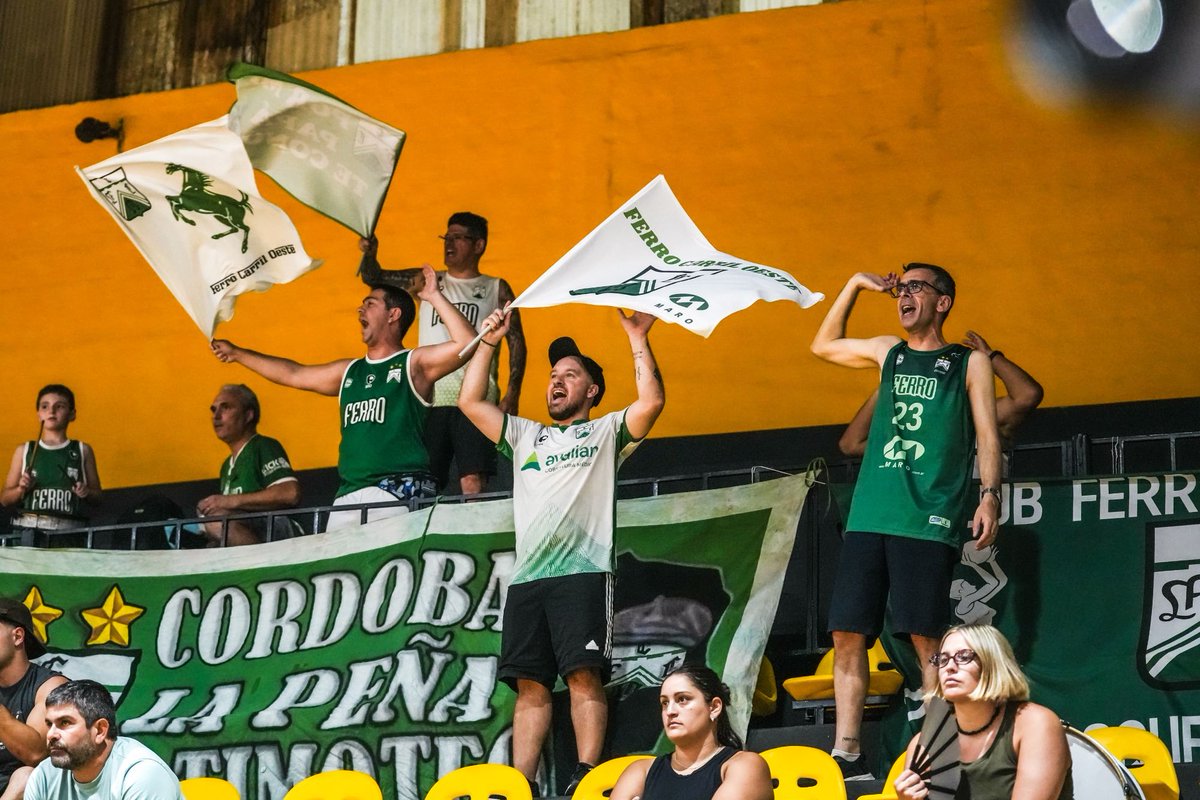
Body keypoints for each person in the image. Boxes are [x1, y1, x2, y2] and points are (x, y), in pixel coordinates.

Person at [458, 306, 665, 796]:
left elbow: (652, 401)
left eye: (570, 375)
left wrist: (637, 338)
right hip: (528, 579)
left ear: (591, 391)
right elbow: (469, 400)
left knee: (581, 674)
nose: (556, 380)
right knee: (530, 685)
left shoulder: (607, 431)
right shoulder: (525, 435)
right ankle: (519, 784)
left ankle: (586, 774)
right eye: (553, 374)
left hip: (584, 573)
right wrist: (489, 340)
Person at [810, 263, 1002, 780]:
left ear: (942, 302)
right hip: (870, 514)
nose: (904, 294)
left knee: (925, 637)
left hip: (927, 517)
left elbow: (988, 435)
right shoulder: (888, 351)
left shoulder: (968, 362)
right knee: (847, 632)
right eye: (903, 287)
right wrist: (854, 284)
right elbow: (823, 345)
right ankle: (847, 753)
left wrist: (988, 497)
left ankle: (939, 748)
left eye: (917, 287)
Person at [211, 265, 477, 531]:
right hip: (347, 495)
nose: (360, 310)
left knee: (389, 559)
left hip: (397, 490)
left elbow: (467, 342)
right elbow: (293, 373)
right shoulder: (349, 371)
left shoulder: (413, 363)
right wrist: (237, 354)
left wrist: (434, 297)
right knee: (335, 560)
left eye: (370, 304)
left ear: (393, 315)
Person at [359, 212, 526, 495]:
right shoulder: (427, 281)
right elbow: (373, 277)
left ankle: (475, 525)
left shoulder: (496, 288)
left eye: (458, 237)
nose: (449, 243)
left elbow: (517, 342)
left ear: (479, 245)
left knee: (472, 481)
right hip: (429, 398)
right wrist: (369, 252)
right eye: (446, 237)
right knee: (426, 479)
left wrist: (513, 393)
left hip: (476, 396)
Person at [894, 624, 1072, 800]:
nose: (950, 667)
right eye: (942, 659)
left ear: (992, 663)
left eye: (963, 657)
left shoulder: (1035, 724)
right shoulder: (924, 744)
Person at [838, 330, 1044, 459]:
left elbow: (1027, 395)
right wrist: (888, 384)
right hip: (931, 508)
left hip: (983, 508)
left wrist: (990, 357)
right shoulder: (917, 430)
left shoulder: (980, 414)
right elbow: (850, 445)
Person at [609, 665, 773, 800]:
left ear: (714, 707)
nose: (670, 711)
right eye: (664, 703)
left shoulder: (745, 766)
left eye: (682, 699)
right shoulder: (640, 771)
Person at [24, 680, 182, 800]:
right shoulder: (44, 776)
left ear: (100, 730)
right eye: (49, 724)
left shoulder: (142, 774)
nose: (51, 734)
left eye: (65, 723)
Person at [196, 384, 301, 546]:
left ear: (248, 415)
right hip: (249, 530)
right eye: (213, 409)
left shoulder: (264, 446)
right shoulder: (226, 465)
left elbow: (290, 493)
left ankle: (263, 562)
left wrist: (229, 501)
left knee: (218, 522)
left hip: (279, 531)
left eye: (226, 407)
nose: (216, 416)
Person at [1, 386, 102, 541]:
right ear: (38, 414)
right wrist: (21, 488)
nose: (51, 411)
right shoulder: (25, 450)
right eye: (45, 406)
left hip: (68, 534)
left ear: (72, 414)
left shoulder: (83, 450)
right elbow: (4, 499)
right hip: (28, 534)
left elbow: (98, 498)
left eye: (59, 406)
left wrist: (86, 492)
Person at [0, 598, 68, 800]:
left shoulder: (51, 687)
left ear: (18, 636)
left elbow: (35, 754)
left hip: (26, 791)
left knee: (26, 776)